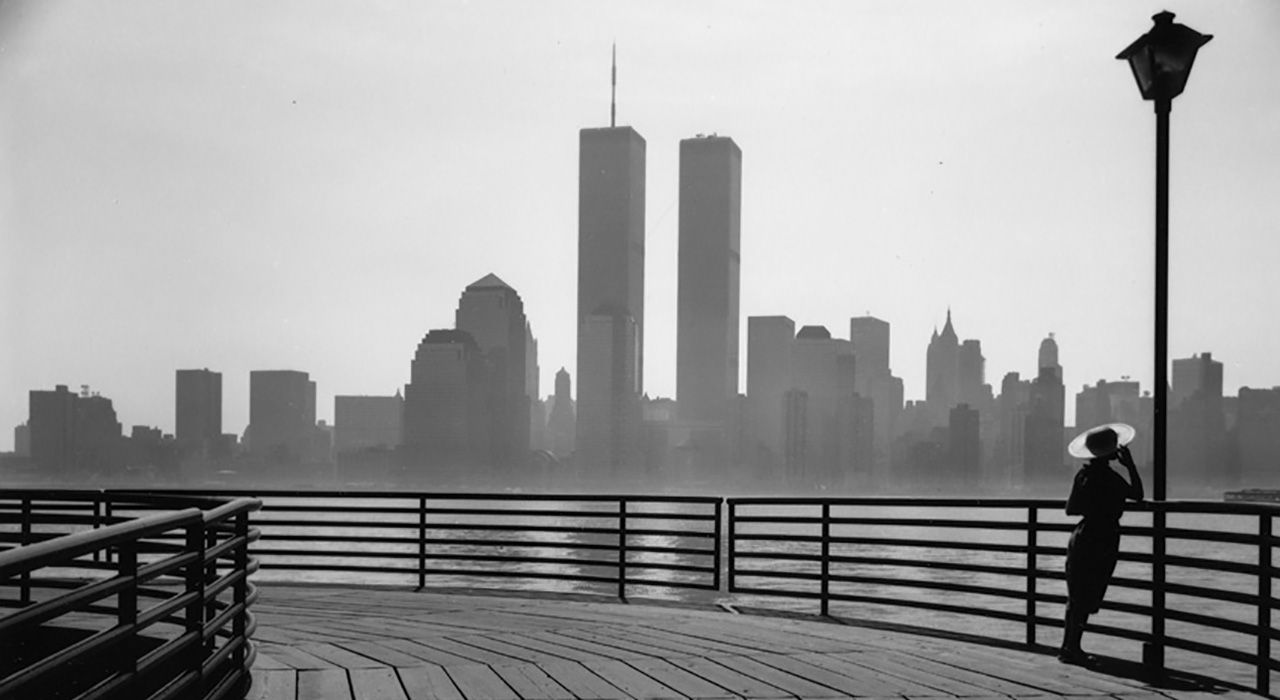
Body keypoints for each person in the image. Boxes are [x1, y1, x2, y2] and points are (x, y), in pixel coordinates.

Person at [1059, 423, 1144, 665]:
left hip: (1082, 535)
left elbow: (1070, 509)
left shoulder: (1084, 475)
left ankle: (1069, 647)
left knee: (1076, 593)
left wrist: (1092, 506)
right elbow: (1137, 494)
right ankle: (1073, 648)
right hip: (1103, 537)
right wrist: (1130, 465)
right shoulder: (1110, 477)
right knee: (1089, 593)